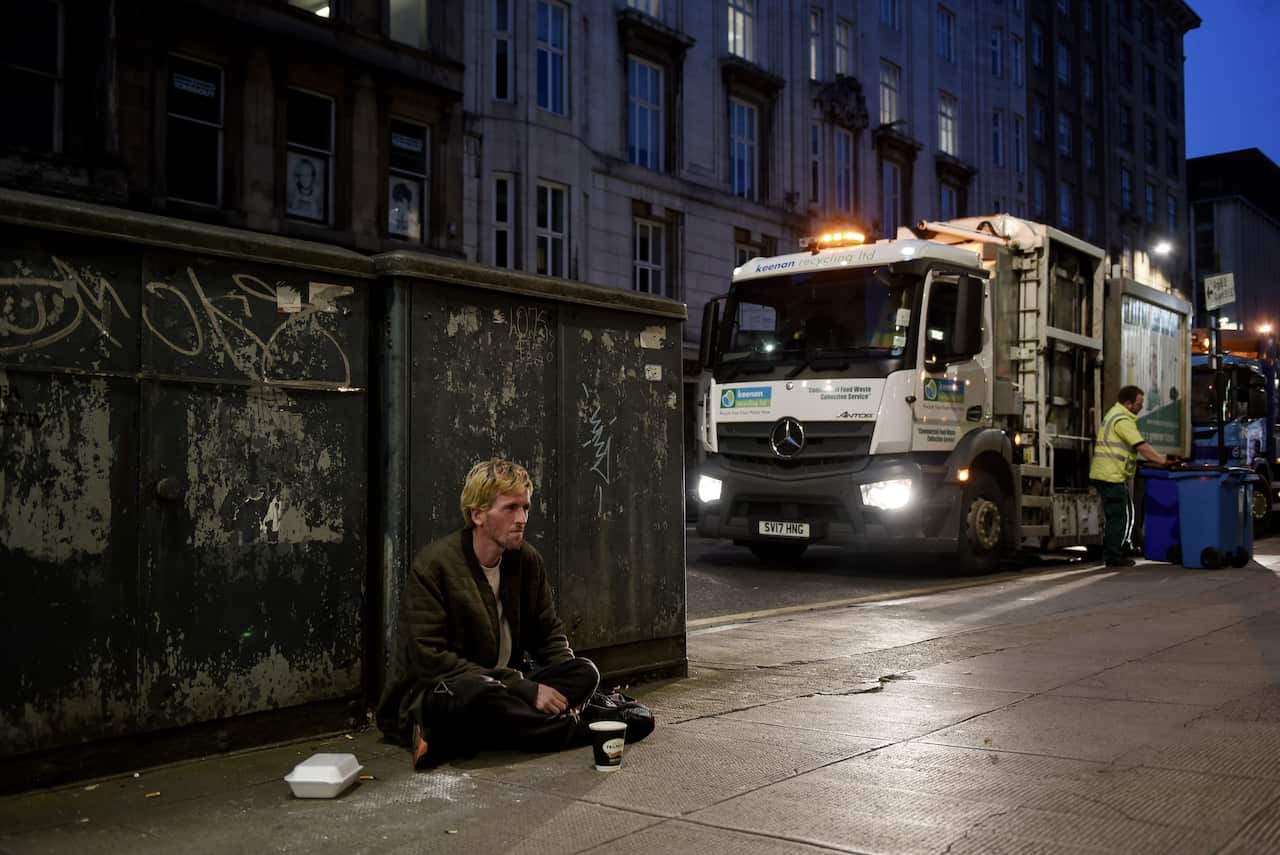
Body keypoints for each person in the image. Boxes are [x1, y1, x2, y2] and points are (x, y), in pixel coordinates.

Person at [377, 458, 653, 768]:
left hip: (510, 686)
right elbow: (432, 661)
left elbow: (548, 633)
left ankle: (508, 727)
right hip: (446, 691)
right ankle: (580, 728)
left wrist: (568, 689)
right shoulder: (435, 566)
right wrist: (526, 689)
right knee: (480, 696)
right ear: (478, 514)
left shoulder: (525, 560)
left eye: (525, 508)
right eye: (510, 508)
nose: (521, 518)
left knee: (585, 671)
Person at [1088, 385, 1171, 567]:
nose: (1142, 406)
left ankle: (1120, 549)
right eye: (1139, 403)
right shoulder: (1122, 419)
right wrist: (1162, 461)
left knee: (1125, 514)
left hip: (1110, 473)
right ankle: (1113, 555)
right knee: (1118, 517)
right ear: (1128, 403)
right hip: (1110, 475)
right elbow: (1140, 445)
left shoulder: (1115, 415)